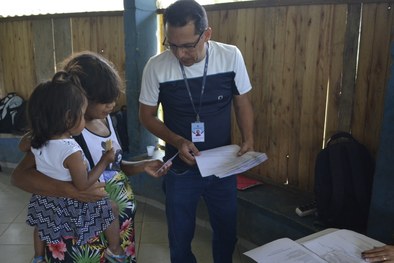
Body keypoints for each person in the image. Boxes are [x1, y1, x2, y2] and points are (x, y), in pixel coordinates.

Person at [12, 51, 170, 263]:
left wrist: (141, 166)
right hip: (83, 227)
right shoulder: (60, 133)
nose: (111, 104)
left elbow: (113, 165)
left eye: (113, 97)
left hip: (117, 224)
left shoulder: (106, 120)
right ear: (82, 98)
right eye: (104, 100)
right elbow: (20, 176)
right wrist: (74, 191)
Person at [139, 1, 254, 262]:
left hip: (222, 166)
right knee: (180, 239)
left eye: (188, 45)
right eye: (172, 45)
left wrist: (249, 138)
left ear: (207, 35)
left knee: (226, 233)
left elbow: (242, 101)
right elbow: (146, 116)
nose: (179, 54)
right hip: (180, 170)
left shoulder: (230, 56)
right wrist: (177, 140)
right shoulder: (156, 66)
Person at [25, 71, 125, 263]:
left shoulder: (38, 141)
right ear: (69, 117)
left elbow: (25, 145)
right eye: (82, 114)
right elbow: (83, 184)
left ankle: (38, 257)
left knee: (41, 224)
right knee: (111, 208)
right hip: (72, 203)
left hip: (45, 199)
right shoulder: (70, 150)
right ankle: (115, 248)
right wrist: (105, 160)